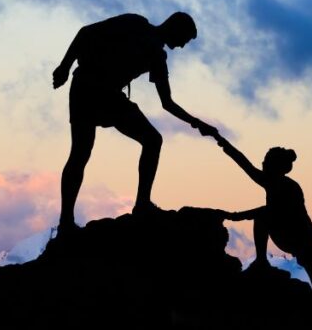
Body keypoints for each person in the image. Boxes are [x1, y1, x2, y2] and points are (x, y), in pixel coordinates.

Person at [52, 12, 218, 233]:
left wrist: (197, 123)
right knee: (81, 153)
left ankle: (141, 205)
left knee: (152, 140)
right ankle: (66, 222)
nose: (182, 47)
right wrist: (64, 66)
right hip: (87, 86)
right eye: (184, 40)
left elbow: (167, 103)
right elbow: (85, 33)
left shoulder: (158, 58)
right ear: (175, 28)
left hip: (109, 95)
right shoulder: (135, 23)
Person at [213, 134, 312, 295]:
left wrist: (234, 216)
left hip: (308, 245)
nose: (262, 163)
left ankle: (261, 261)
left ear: (274, 166)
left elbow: (269, 212)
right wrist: (220, 140)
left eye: (266, 161)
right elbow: (244, 163)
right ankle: (261, 261)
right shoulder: (274, 182)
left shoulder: (286, 187)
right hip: (299, 241)